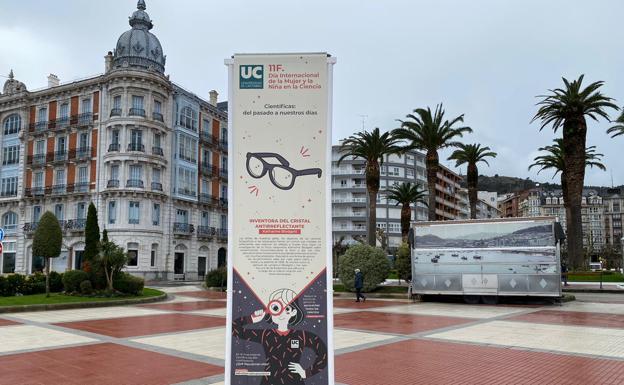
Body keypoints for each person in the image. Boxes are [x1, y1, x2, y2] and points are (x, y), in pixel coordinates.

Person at [232, 288, 328, 385]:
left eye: (286, 308)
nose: (281, 312)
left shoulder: (302, 335)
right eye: (276, 308)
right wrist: (252, 318)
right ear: (270, 311)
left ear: (293, 312)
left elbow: (323, 354)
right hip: (269, 381)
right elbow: (234, 329)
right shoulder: (265, 334)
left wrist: (305, 372)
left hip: (294, 381)